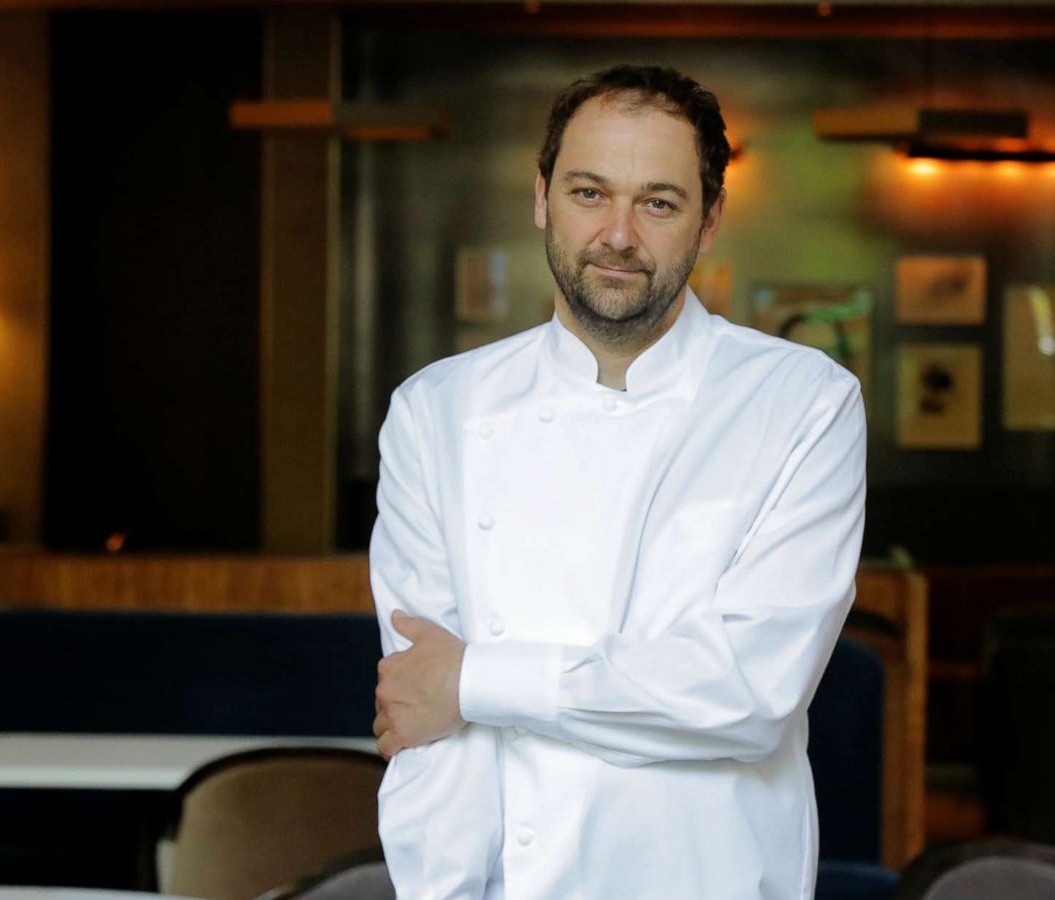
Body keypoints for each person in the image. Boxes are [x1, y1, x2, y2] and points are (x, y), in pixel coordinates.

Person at [368, 64, 866, 900]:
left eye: (658, 202)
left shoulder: (803, 403)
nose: (618, 235)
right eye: (589, 193)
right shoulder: (436, 412)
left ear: (709, 220)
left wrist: (477, 681)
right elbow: (429, 726)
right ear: (541, 198)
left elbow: (747, 693)